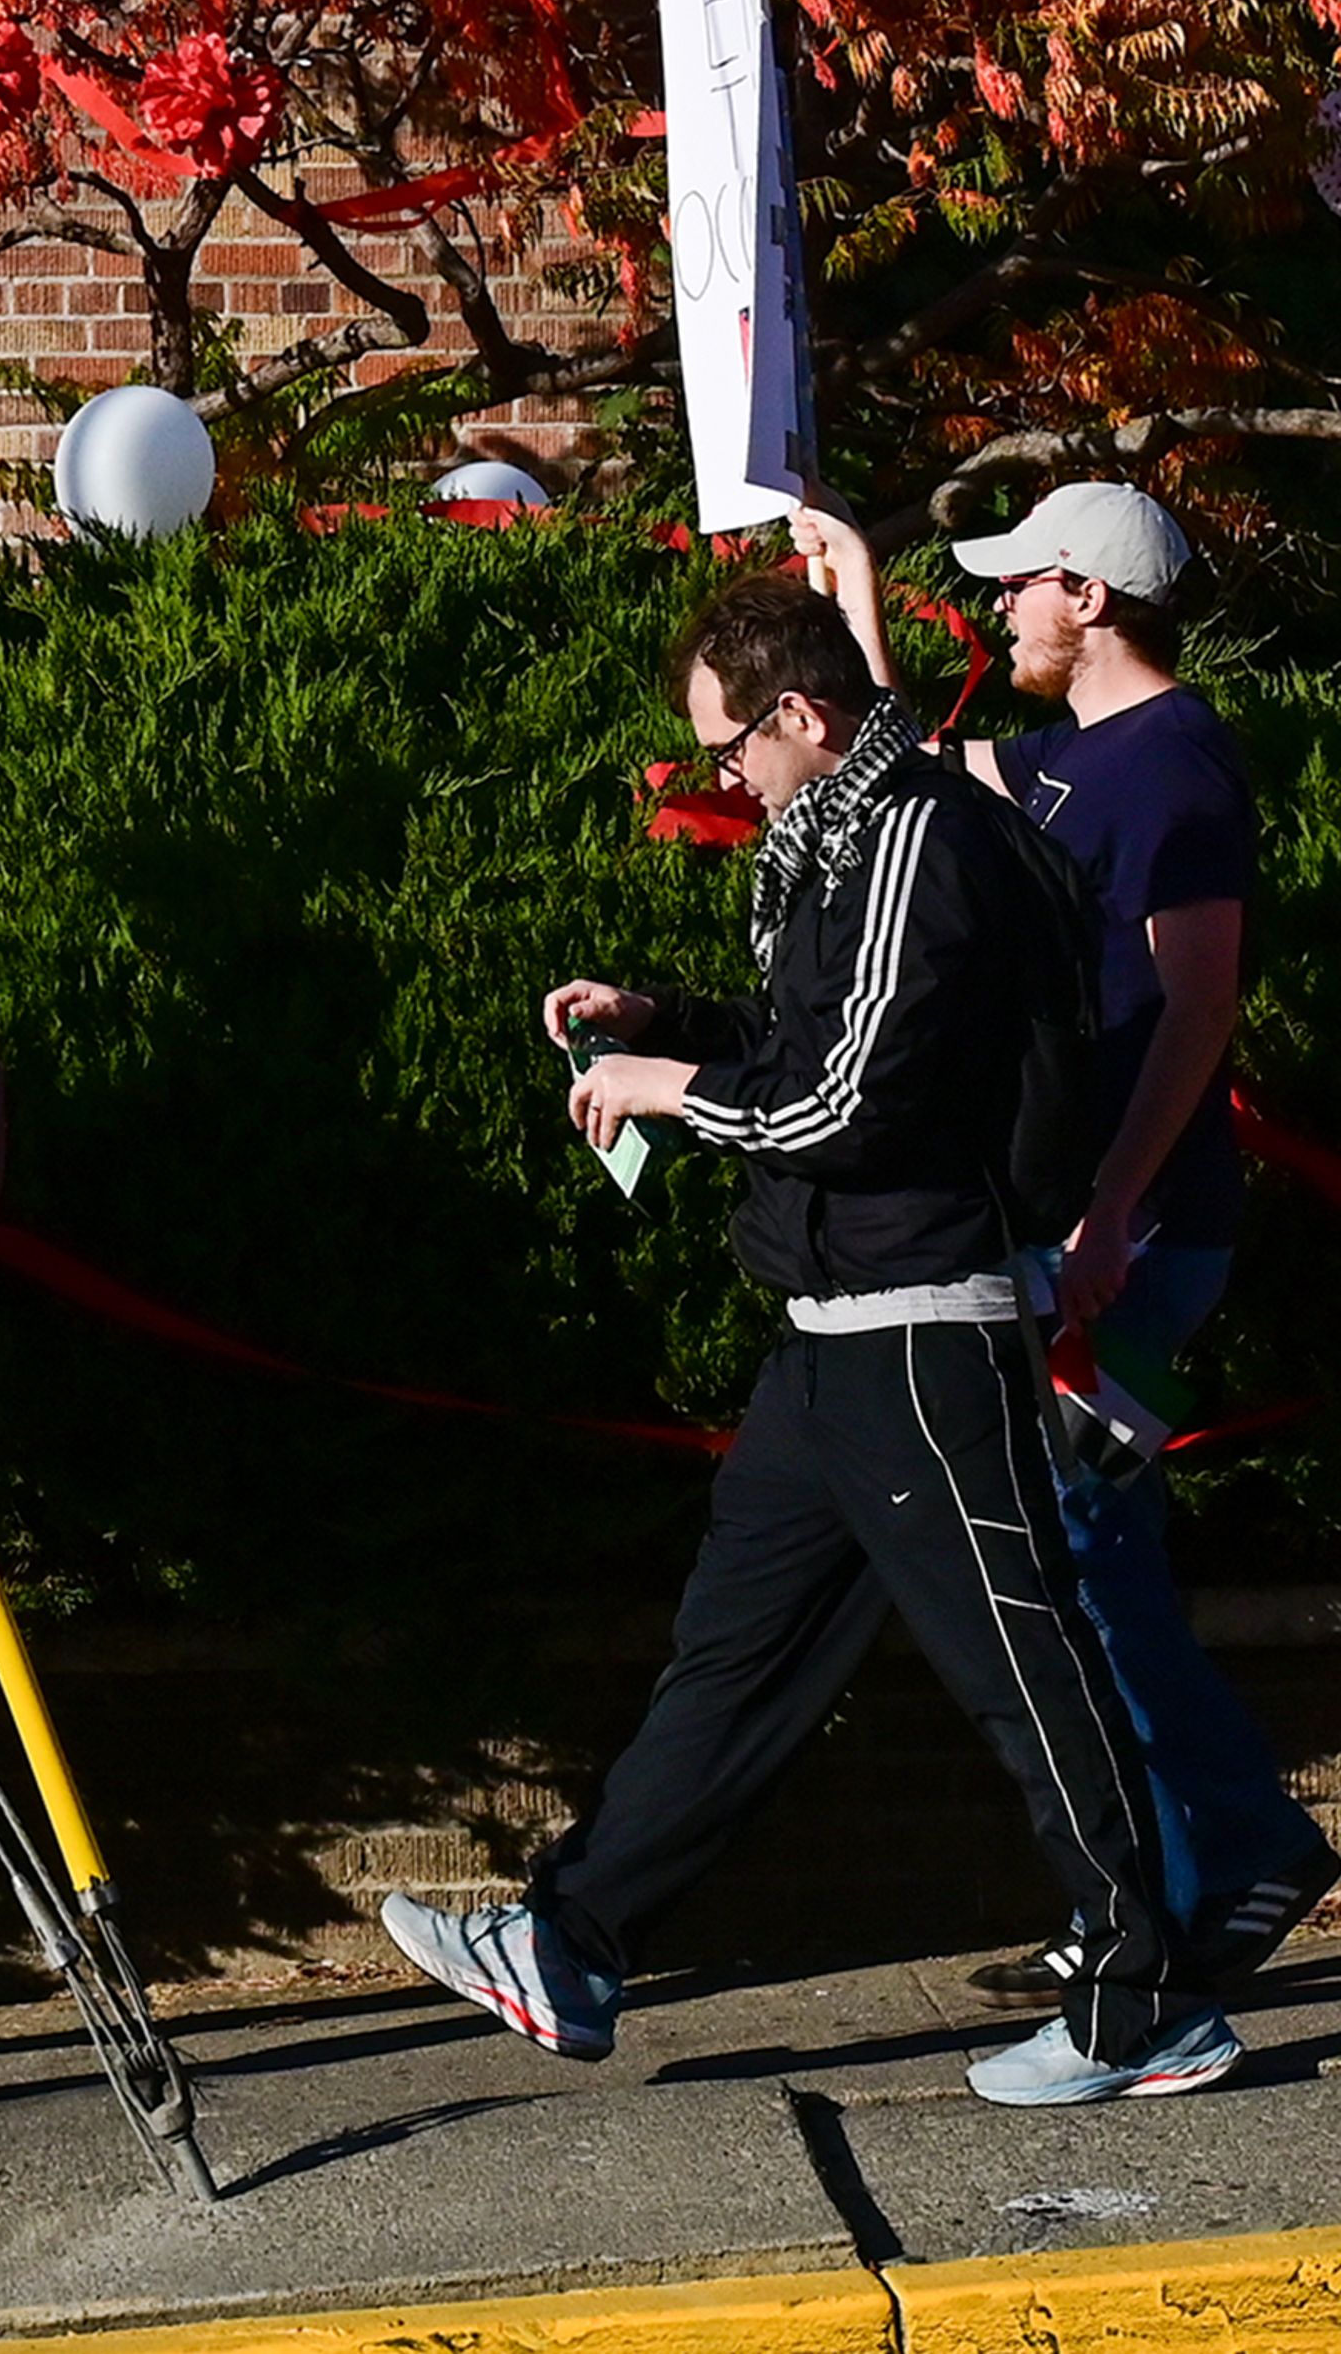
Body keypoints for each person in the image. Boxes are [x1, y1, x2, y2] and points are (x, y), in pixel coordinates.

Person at [381, 569, 1227, 2108]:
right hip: (835, 1332)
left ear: (802, 713)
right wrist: (669, 1017)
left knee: (1019, 1663)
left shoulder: (916, 837)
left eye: (729, 749)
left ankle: (1142, 1994)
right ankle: (571, 1943)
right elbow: (819, 1044)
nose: (723, 779)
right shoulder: (845, 841)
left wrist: (665, 1090)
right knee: (733, 1659)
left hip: (920, 1327)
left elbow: (859, 1101)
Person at [790, 487, 1338, 2004]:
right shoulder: (1074, 755)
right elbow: (907, 764)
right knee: (1075, 1559)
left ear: (1088, 597)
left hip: (1140, 1241)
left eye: (1018, 589)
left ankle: (1228, 1864)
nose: (1003, 615)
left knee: (1087, 1562)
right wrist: (853, 589)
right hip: (1087, 1228)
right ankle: (1179, 1887)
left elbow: (1198, 1006)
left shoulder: (1173, 764)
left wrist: (1106, 1218)